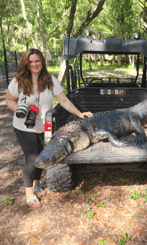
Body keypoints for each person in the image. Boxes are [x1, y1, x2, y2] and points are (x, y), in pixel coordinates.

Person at [5, 49, 93, 208]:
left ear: (42, 62)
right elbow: (9, 100)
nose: (34, 64)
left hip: (45, 126)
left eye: (37, 61)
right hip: (24, 127)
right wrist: (20, 110)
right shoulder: (18, 80)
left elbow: (64, 101)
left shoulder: (50, 80)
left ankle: (37, 186)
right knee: (31, 159)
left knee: (41, 155)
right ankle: (29, 194)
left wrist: (80, 114)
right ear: (26, 63)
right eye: (30, 62)